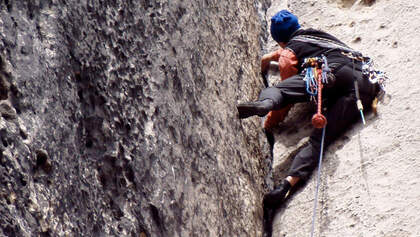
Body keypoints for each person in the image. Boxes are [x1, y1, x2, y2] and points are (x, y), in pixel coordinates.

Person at [236, 10, 380, 235]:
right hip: (364, 80)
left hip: (328, 74)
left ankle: (264, 104)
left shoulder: (288, 51)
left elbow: (288, 86)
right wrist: (272, 56)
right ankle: (288, 184)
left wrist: (270, 121)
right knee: (321, 138)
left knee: (280, 92)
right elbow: (292, 49)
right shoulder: (316, 34)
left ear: (278, 39)